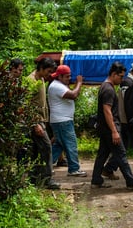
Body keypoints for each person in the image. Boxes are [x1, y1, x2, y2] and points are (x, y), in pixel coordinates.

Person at [91, 62, 133, 189]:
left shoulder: (105, 87)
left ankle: (96, 179)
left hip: (105, 128)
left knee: (103, 154)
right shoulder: (108, 89)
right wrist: (114, 131)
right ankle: (132, 182)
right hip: (110, 128)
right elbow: (107, 111)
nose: (122, 79)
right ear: (113, 74)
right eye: (121, 76)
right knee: (121, 155)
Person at [25, 57, 60, 189]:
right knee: (46, 147)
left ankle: (33, 179)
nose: (49, 74)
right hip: (35, 121)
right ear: (41, 68)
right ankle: (47, 179)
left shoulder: (41, 79)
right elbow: (26, 104)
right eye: (48, 71)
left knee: (35, 150)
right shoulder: (31, 80)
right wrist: (35, 123)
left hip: (41, 120)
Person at [48, 65, 87, 177]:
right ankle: (74, 169)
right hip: (62, 121)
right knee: (71, 144)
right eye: (66, 77)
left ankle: (45, 166)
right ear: (59, 76)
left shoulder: (59, 85)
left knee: (59, 145)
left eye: (70, 76)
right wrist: (79, 82)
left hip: (61, 120)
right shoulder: (57, 86)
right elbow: (74, 95)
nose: (69, 78)